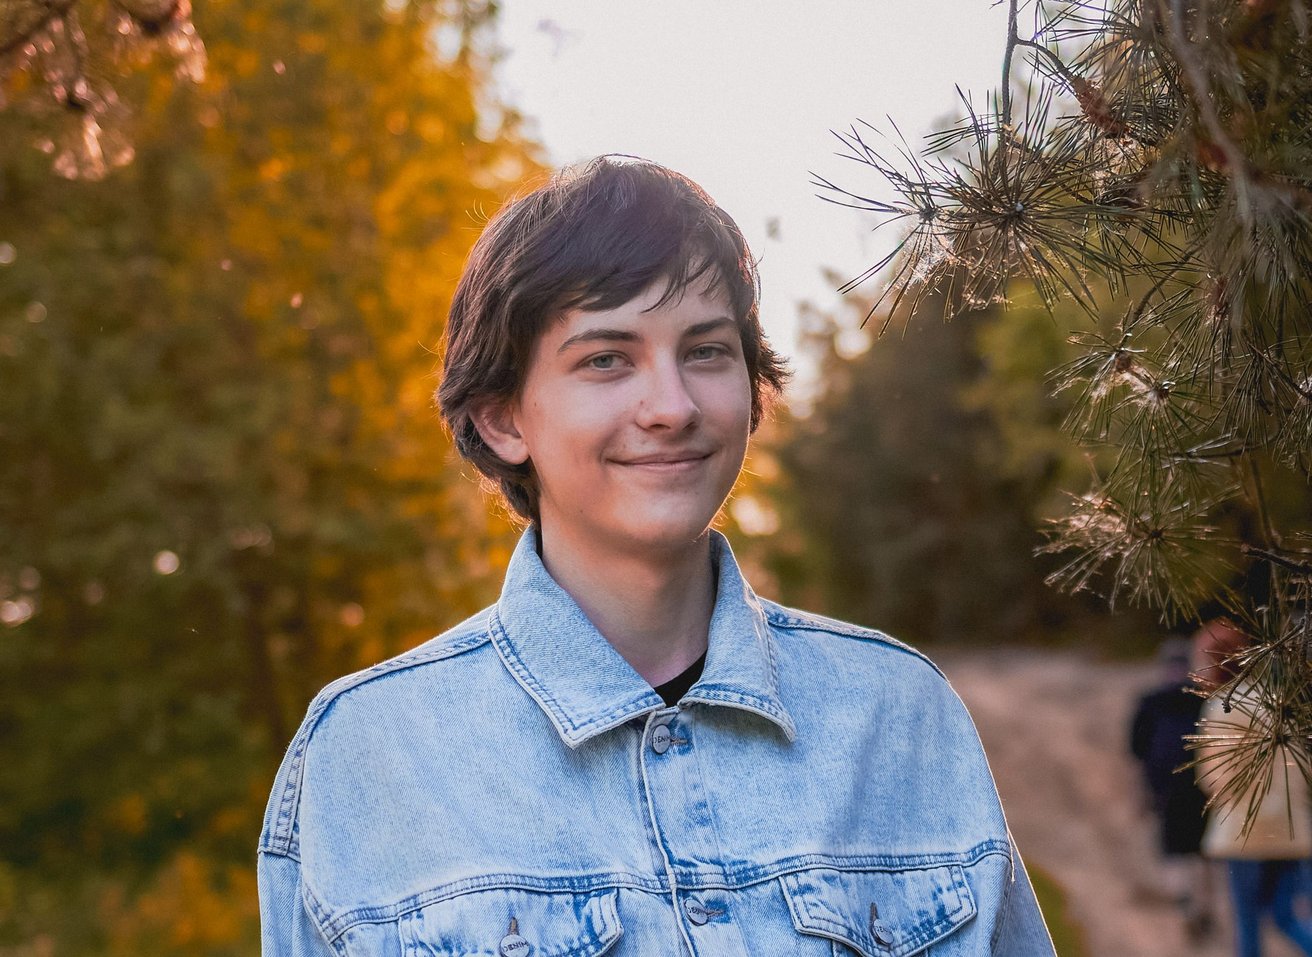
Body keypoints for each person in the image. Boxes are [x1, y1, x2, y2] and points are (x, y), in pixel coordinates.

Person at [256, 156, 1056, 955]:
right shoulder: (367, 753)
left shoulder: (899, 712)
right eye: (606, 359)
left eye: (705, 351)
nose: (672, 407)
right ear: (503, 418)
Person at [1193, 618, 1312, 957]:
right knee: (1287, 916)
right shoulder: (1276, 701)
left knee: (1247, 924)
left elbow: (1212, 774)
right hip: (1289, 827)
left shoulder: (1221, 707)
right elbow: (1302, 764)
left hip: (1242, 830)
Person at [1129, 636, 1214, 937]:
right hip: (1201, 787)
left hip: (1166, 788)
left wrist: (1142, 793)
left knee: (1173, 849)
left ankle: (1186, 902)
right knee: (1202, 850)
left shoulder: (1151, 702)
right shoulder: (1203, 701)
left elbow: (1137, 750)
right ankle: (1200, 906)